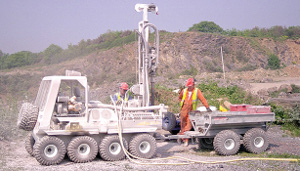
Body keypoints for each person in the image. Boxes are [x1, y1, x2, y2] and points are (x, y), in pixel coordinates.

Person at [178, 78, 212, 146]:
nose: (189, 87)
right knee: (182, 124)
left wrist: (207, 107)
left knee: (189, 125)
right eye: (188, 86)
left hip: (192, 111)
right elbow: (180, 98)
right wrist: (181, 104)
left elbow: (203, 99)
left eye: (190, 86)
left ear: (193, 85)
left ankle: (186, 140)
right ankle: (182, 137)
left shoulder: (197, 91)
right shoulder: (184, 91)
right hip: (183, 110)